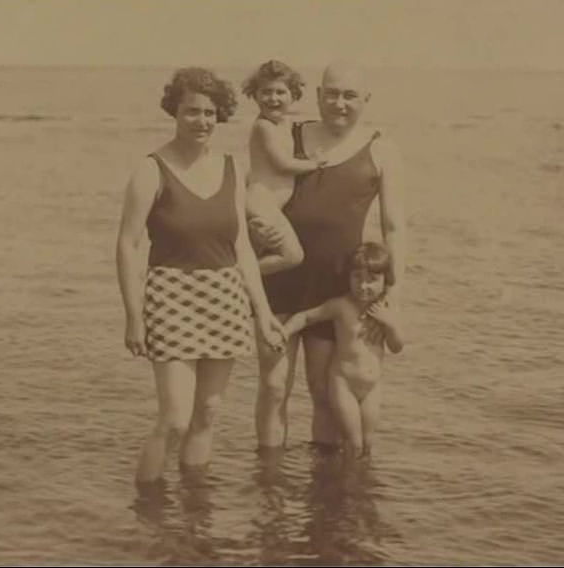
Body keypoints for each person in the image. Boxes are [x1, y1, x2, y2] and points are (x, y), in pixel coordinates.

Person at [116, 67, 284, 495]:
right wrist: (134, 316)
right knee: (174, 419)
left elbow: (242, 247)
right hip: (170, 296)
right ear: (175, 111)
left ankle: (194, 509)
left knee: (207, 413)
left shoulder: (231, 168)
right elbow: (128, 246)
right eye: (192, 111)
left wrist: (263, 313)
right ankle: (147, 508)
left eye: (210, 113)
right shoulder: (151, 170)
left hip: (224, 296)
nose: (202, 120)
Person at [255, 61, 406, 451]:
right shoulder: (288, 134)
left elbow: (393, 227)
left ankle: (325, 482)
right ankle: (268, 481)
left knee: (324, 391)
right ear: (319, 95)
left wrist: (394, 292)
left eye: (350, 95)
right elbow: (258, 196)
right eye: (332, 94)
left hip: (336, 288)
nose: (340, 103)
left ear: (366, 99)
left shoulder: (382, 149)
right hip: (281, 281)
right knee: (274, 387)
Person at [282, 242, 403, 457]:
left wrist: (390, 324)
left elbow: (396, 347)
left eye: (372, 280)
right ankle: (343, 477)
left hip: (372, 387)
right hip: (344, 384)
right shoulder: (341, 306)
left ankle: (356, 478)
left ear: (385, 281)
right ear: (348, 277)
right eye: (357, 278)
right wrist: (284, 332)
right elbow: (307, 317)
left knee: (367, 443)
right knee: (353, 443)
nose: (363, 286)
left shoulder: (385, 311)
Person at [242, 60, 327, 276]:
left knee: (250, 254)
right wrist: (314, 163)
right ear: (255, 95)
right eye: (266, 92)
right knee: (293, 255)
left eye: (280, 92)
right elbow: (282, 164)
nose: (273, 98)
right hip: (261, 205)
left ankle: (241, 278)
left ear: (293, 95)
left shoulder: (284, 123)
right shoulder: (263, 127)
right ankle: (239, 277)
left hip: (268, 207)